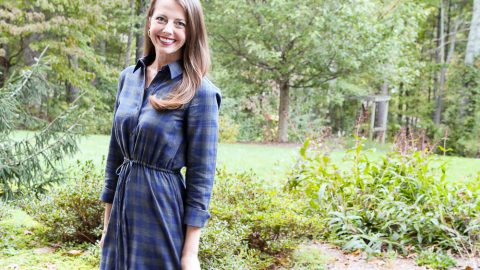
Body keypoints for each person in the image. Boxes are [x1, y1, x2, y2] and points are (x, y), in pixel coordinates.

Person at [98, 0, 221, 269]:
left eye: (180, 24)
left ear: (192, 32)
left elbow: (202, 178)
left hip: (161, 210)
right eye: (162, 19)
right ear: (149, 21)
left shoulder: (200, 92)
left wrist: (190, 253)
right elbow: (115, 157)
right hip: (121, 209)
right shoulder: (128, 78)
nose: (168, 29)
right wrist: (107, 226)